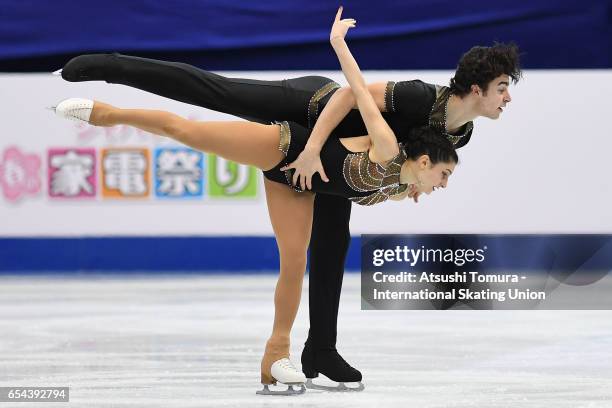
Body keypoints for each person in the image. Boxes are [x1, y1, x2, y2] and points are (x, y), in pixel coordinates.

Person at [57, 8, 521, 391]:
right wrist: (315, 147)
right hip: (310, 112)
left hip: (338, 164)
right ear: (476, 88)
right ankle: (111, 66)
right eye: (503, 88)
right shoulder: (421, 97)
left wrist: (402, 184)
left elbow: (402, 162)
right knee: (216, 92)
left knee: (330, 246)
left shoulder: (461, 136)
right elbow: (347, 98)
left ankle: (320, 348)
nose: (508, 99)